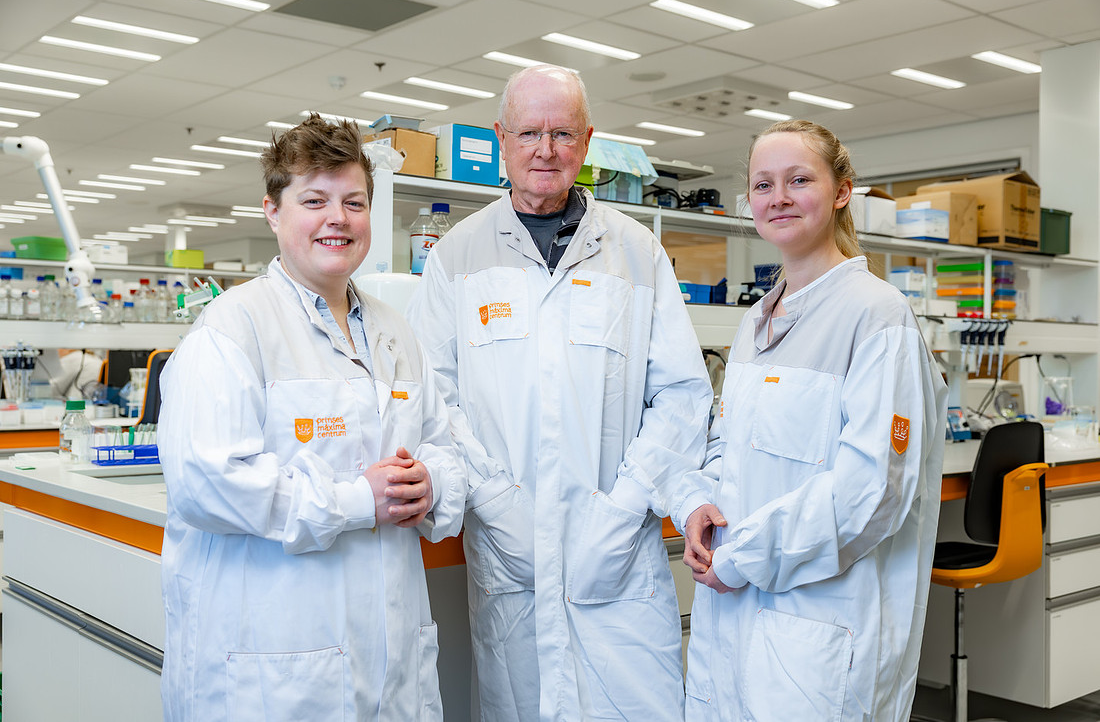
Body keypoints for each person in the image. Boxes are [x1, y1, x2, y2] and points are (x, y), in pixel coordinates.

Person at [407, 65, 713, 720]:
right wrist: (496, 501)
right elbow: (434, 400)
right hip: (507, 549)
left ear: (587, 140)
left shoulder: (637, 253)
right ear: (501, 138)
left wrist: (625, 504)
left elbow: (682, 396)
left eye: (562, 133)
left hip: (618, 555)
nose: (545, 150)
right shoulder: (457, 256)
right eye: (529, 133)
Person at [157, 114, 466, 722]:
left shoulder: (396, 333)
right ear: (273, 211)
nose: (338, 218)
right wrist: (357, 500)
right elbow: (208, 484)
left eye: (354, 202)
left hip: (392, 665)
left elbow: (446, 445)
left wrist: (431, 484)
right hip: (272, 671)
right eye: (315, 200)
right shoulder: (232, 330)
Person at [674, 119, 948, 721]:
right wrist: (698, 503)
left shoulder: (876, 315)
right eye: (763, 184)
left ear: (841, 191)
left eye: (799, 180)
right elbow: (727, 447)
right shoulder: (756, 322)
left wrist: (741, 558)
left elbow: (871, 492)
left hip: (819, 629)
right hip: (733, 615)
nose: (779, 198)